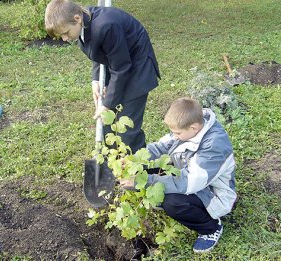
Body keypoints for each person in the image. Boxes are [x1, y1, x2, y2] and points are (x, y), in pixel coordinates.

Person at [120, 97, 237, 253]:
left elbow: (188, 182)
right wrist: (134, 160)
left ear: (194, 128)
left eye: (177, 133)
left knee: (172, 202)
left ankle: (210, 228)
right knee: (149, 170)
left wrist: (147, 181)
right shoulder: (189, 128)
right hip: (189, 174)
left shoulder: (214, 146)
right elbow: (160, 148)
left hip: (213, 194)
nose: (174, 136)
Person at [45, 0, 160, 153]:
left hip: (137, 69)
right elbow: (99, 51)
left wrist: (107, 103)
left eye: (65, 33)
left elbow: (122, 67)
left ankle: (139, 174)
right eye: (61, 36)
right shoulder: (84, 21)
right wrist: (96, 80)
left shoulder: (105, 26)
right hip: (119, 64)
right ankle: (110, 169)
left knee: (127, 130)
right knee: (108, 124)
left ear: (77, 19)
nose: (65, 39)